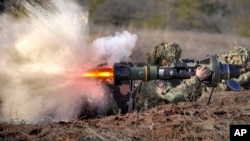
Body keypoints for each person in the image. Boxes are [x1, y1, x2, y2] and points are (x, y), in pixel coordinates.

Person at [134, 42, 211, 112]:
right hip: (147, 121)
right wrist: (196, 79)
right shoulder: (153, 80)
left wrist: (198, 82)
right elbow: (173, 96)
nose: (179, 62)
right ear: (165, 62)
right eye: (175, 59)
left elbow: (191, 98)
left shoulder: (170, 77)